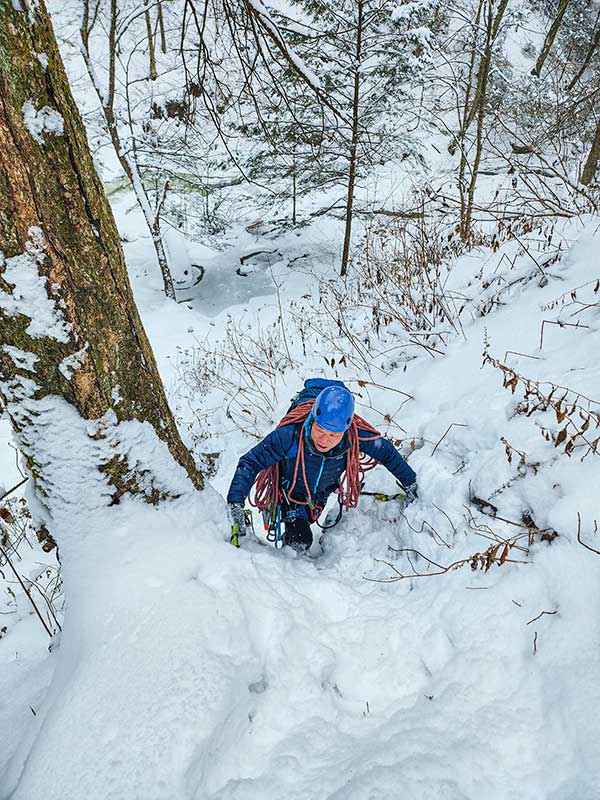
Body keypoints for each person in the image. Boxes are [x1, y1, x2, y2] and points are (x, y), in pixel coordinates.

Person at [227, 381, 417, 552]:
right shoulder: (291, 435)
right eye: (319, 430)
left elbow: (386, 453)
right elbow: (251, 462)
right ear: (313, 419)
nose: (324, 440)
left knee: (306, 526)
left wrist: (411, 483)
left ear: (345, 429)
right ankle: (288, 560)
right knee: (299, 540)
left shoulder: (355, 436)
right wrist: (235, 502)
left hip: (320, 494)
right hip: (291, 494)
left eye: (333, 435)